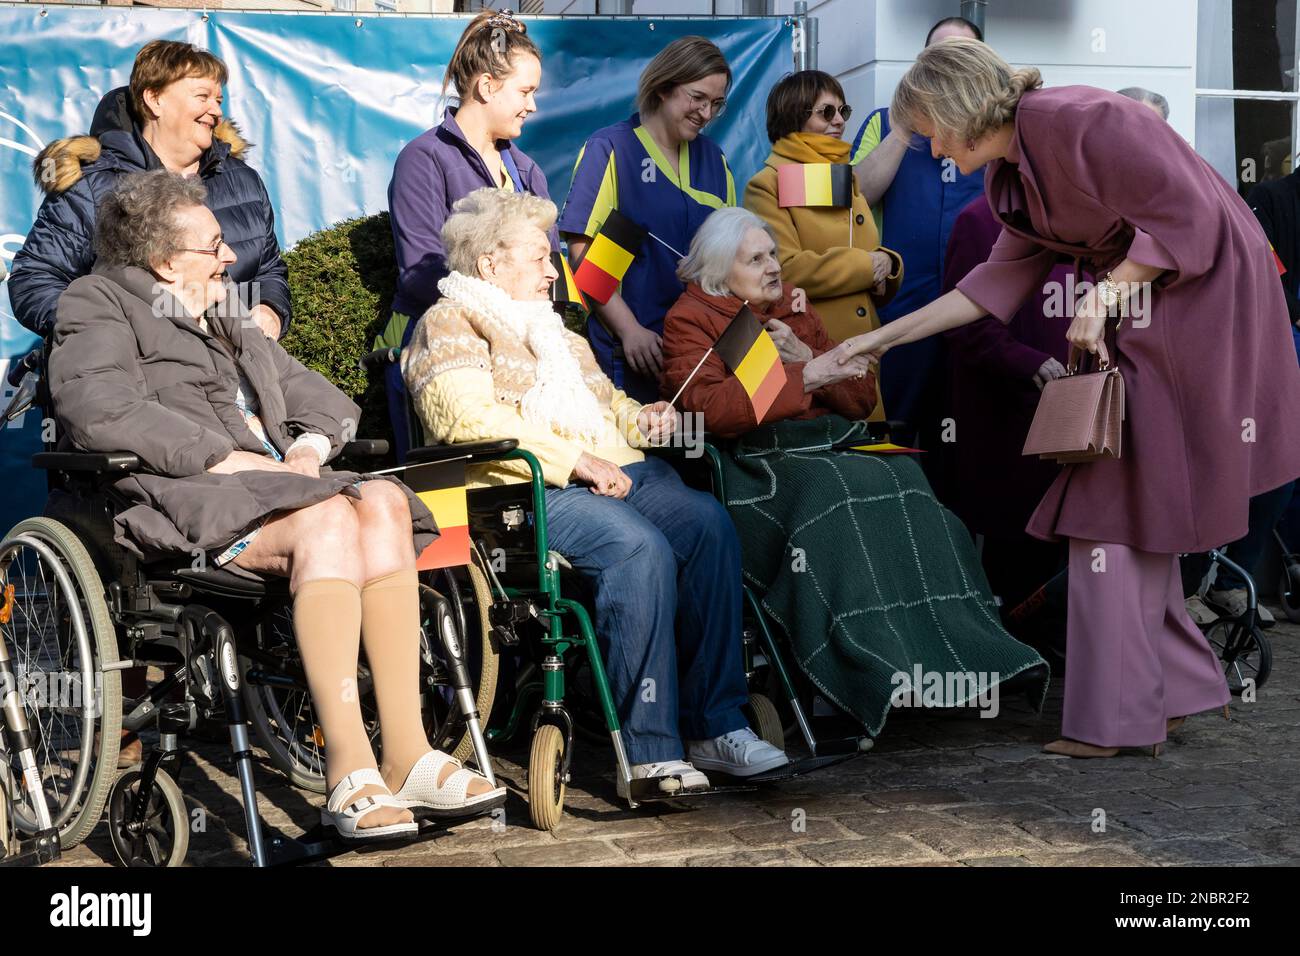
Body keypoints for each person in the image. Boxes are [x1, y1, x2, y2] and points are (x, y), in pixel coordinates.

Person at [838, 38, 1300, 757]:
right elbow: (986, 290)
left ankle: (1121, 719)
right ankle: (1168, 692)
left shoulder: (1079, 119)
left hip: (1203, 303)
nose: (929, 153)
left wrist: (1109, 292)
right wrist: (873, 342)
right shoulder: (1014, 174)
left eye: (927, 133)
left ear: (954, 109)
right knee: (1123, 507)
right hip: (1153, 312)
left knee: (1107, 512)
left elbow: (1193, 222)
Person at [47, 170, 501, 842]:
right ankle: (350, 771)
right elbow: (100, 408)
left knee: (381, 501)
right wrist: (219, 457)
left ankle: (407, 754)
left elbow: (317, 395)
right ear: (167, 260)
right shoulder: (96, 302)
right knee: (327, 520)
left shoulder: (225, 313)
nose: (231, 257)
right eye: (214, 245)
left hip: (280, 482)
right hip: (186, 495)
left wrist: (309, 449)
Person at [402, 188, 788, 796]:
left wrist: (645, 420)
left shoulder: (561, 334)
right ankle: (649, 752)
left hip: (614, 471)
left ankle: (715, 724)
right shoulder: (448, 321)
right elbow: (463, 418)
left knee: (705, 524)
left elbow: (607, 409)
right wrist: (573, 459)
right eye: (538, 257)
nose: (553, 270)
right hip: (523, 490)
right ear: (490, 265)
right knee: (636, 546)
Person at [661, 208, 1049, 737]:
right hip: (759, 462)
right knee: (837, 494)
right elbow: (707, 411)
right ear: (718, 271)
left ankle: (950, 657)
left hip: (831, 443)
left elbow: (861, 396)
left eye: (773, 253)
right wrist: (805, 374)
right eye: (757, 259)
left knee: (908, 482)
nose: (774, 266)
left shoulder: (793, 307)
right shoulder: (693, 318)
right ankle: (871, 666)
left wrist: (806, 358)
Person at [10, 40, 289, 340]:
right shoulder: (92, 185)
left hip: (231, 369)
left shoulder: (243, 180)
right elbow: (35, 278)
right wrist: (101, 331)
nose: (215, 111)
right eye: (202, 97)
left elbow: (269, 269)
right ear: (155, 99)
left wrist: (269, 309)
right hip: (130, 376)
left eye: (218, 100)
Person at [375, 9, 554, 459]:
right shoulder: (423, 159)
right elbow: (421, 275)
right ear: (487, 87)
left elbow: (548, 271)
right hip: (446, 357)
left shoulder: (528, 171)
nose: (532, 105)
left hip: (524, 359)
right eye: (525, 91)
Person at [559, 36, 736, 403]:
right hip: (632, 354)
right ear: (663, 87)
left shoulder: (715, 162)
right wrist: (629, 330)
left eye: (716, 104)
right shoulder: (612, 149)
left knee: (697, 455)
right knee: (640, 458)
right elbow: (584, 253)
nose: (705, 113)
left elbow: (732, 259)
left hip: (702, 357)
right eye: (697, 97)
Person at [847, 16, 985, 445]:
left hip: (980, 307)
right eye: (939, 57)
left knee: (970, 431)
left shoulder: (997, 128)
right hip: (901, 308)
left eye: (962, 56)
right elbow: (858, 197)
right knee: (898, 428)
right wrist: (905, 123)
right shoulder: (883, 122)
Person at [743, 70, 901, 421]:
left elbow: (870, 251)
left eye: (843, 111)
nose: (839, 121)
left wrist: (888, 265)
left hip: (864, 347)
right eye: (825, 112)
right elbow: (784, 269)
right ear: (794, 117)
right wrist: (866, 267)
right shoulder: (767, 184)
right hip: (813, 351)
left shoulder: (844, 176)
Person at [940, 195, 1073, 610]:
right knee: (1018, 551)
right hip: (1013, 421)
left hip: (1081, 416)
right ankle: (1018, 646)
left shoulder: (1087, 218)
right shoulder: (978, 220)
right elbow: (962, 323)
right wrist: (1025, 361)